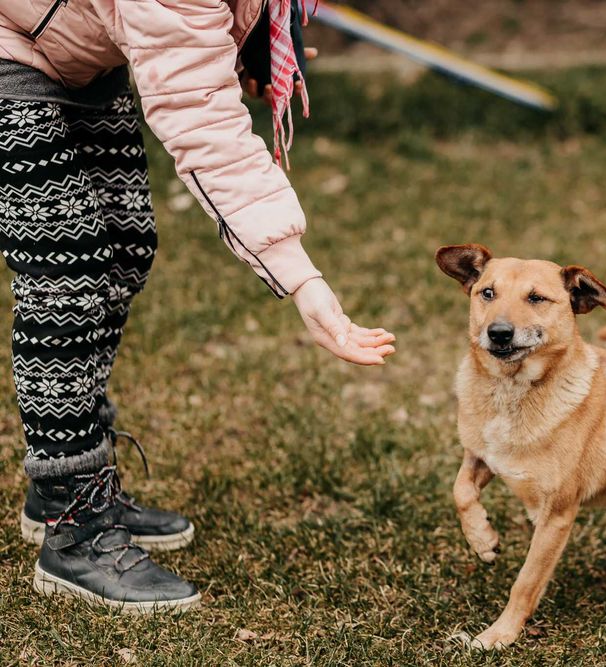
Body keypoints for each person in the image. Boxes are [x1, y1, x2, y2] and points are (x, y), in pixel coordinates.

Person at [0, 0, 395, 612]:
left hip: (73, 52)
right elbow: (199, 117)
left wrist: (252, 39)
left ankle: (61, 484)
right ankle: (74, 522)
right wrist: (300, 277)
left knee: (124, 247)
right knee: (69, 269)